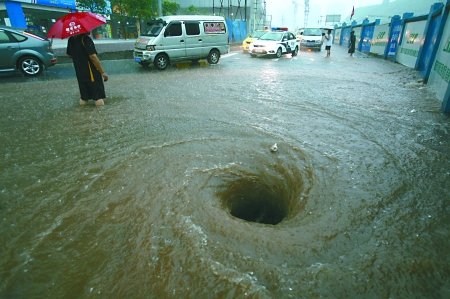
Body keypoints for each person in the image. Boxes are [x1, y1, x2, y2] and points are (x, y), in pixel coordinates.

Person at [67, 33, 108, 106]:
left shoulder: (71, 39)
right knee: (98, 98)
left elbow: (69, 54)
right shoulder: (86, 39)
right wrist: (102, 72)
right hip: (91, 73)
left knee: (84, 98)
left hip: (79, 72)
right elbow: (93, 57)